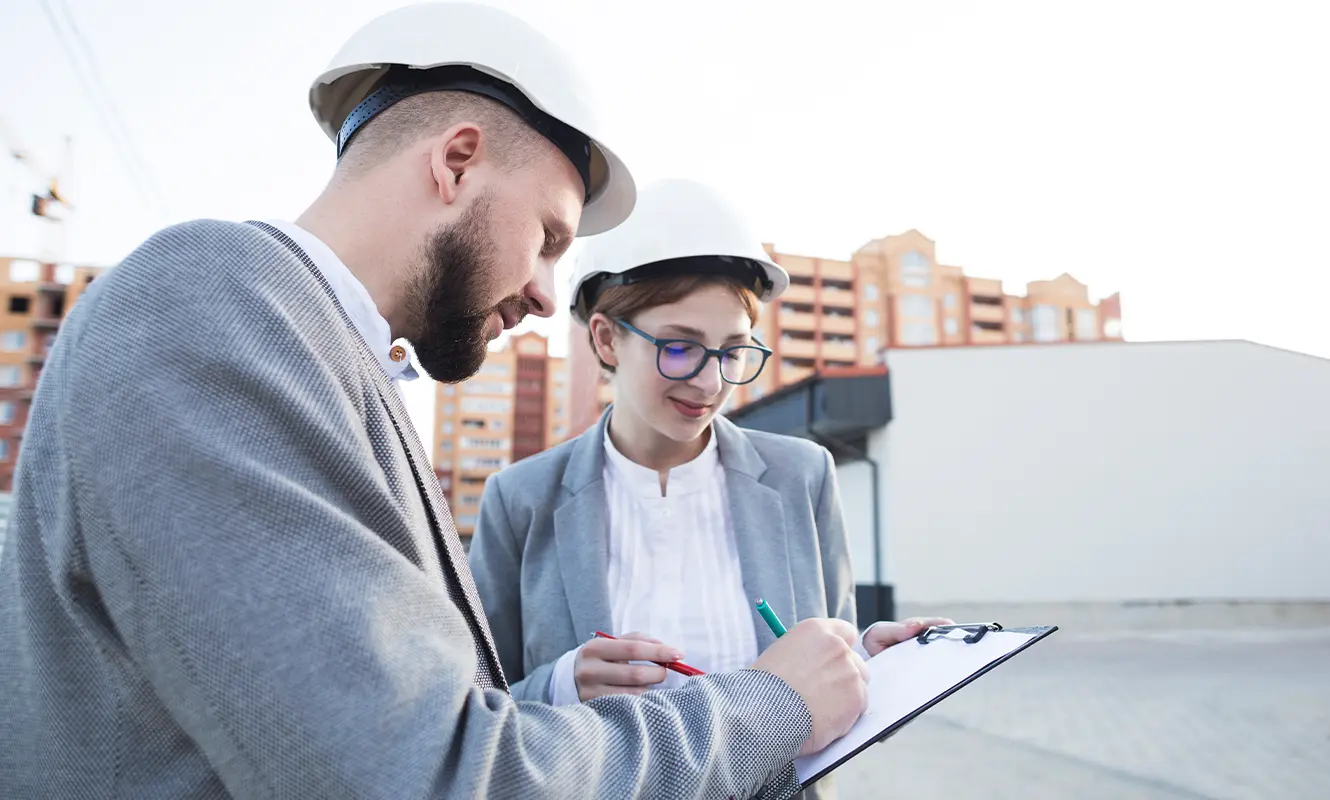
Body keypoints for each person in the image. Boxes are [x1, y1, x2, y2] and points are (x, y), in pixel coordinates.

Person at [0, 5, 872, 799]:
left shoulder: (323, 359)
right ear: (457, 162)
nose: (546, 295)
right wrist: (772, 703)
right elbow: (434, 773)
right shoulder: (207, 306)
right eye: (548, 236)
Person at [467, 178, 954, 799]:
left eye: (733, 351)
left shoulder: (802, 476)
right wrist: (560, 684)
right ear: (606, 338)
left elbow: (831, 663)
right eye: (680, 347)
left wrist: (869, 661)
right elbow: (472, 715)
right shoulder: (521, 499)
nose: (709, 383)